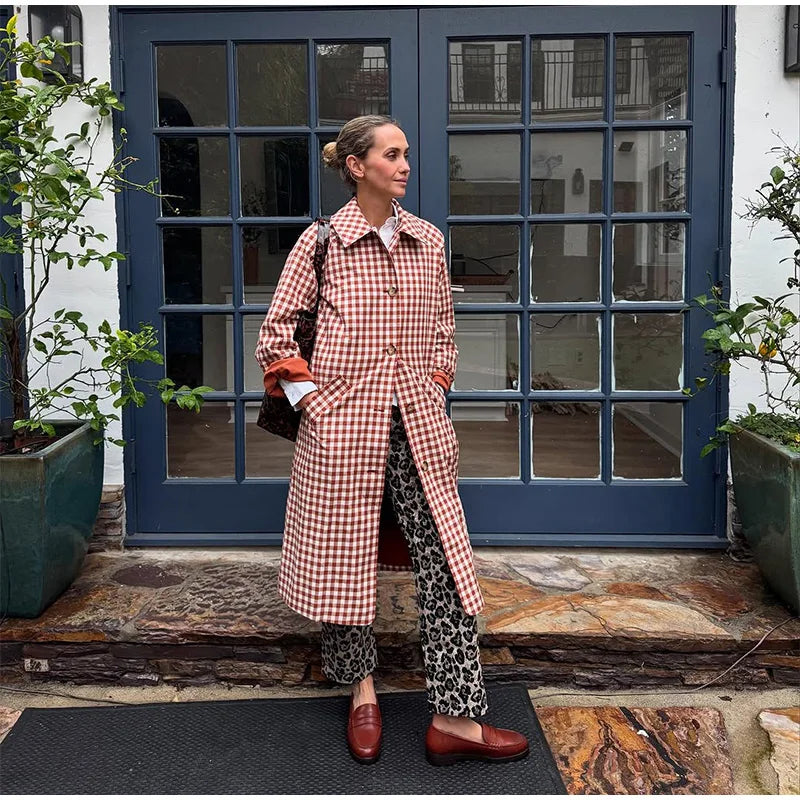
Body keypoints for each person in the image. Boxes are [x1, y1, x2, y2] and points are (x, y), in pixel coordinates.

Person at [255, 114, 528, 766]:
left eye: (407, 154)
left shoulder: (427, 241)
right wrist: (314, 405)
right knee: (343, 562)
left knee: (446, 565)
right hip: (341, 431)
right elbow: (276, 335)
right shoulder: (320, 243)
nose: (405, 165)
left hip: (417, 427)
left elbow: (442, 331)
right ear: (357, 165)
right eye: (393, 154)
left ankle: (456, 719)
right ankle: (363, 693)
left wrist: (434, 385)